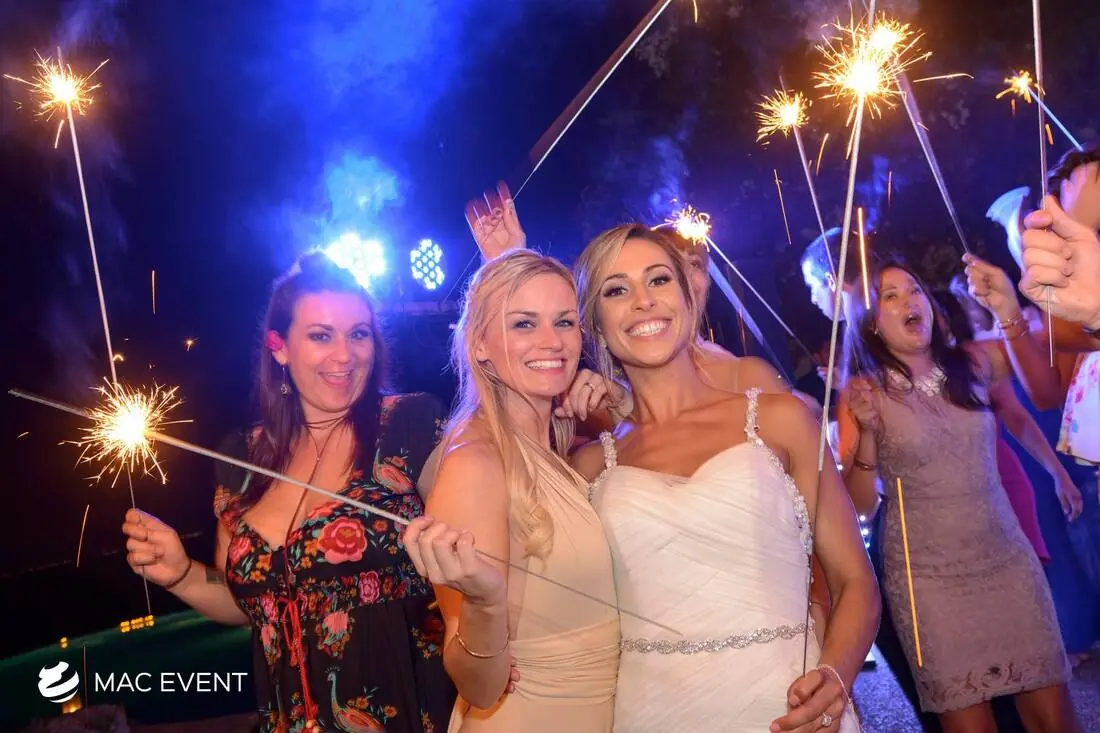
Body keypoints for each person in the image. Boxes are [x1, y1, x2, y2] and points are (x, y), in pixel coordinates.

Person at [122, 252, 456, 732]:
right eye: (321, 336)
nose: (344, 354)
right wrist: (181, 575)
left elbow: (484, 535)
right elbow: (252, 604)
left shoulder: (411, 425)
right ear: (279, 347)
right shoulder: (244, 458)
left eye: (358, 334)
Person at [572, 224, 879, 732]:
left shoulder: (781, 420)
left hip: (786, 705)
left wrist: (835, 676)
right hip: (652, 713)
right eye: (617, 290)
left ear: (689, 298)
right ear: (596, 324)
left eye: (659, 280)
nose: (643, 301)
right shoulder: (589, 466)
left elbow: (855, 581)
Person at [839, 260, 1079, 731]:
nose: (910, 301)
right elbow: (859, 505)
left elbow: (1054, 357)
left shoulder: (972, 361)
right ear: (870, 320)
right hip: (929, 580)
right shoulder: (863, 391)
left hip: (1006, 560)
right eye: (890, 295)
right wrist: (866, 436)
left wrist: (1008, 305)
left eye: (914, 290)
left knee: (1055, 721)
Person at [403, 250, 620, 732]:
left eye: (564, 321)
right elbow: (478, 686)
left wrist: (614, 405)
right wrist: (484, 602)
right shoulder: (476, 464)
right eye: (524, 324)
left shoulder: (544, 447)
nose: (552, 341)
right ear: (479, 343)